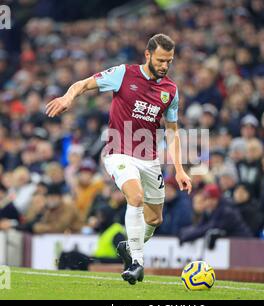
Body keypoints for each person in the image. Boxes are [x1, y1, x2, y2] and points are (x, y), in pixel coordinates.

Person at [45, 34, 192, 285]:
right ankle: (137, 262)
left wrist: (179, 169)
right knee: (135, 197)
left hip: (150, 158)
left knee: (155, 219)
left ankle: (129, 245)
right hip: (119, 151)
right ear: (147, 55)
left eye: (169, 61)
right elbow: (83, 84)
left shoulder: (171, 90)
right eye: (160, 60)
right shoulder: (123, 74)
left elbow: (172, 132)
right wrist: (68, 97)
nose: (165, 66)